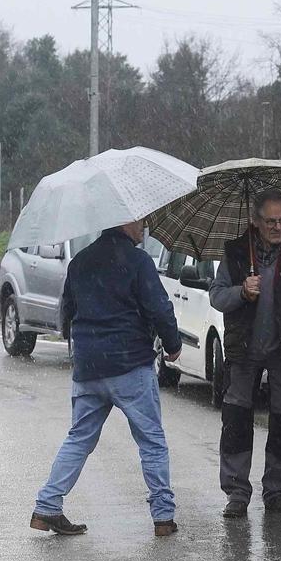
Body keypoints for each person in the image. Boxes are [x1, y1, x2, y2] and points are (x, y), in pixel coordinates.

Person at [31, 219, 183, 537]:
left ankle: (47, 507)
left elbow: (66, 314)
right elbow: (158, 307)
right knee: (152, 441)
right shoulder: (138, 261)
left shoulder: (80, 261)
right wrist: (172, 344)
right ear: (124, 221)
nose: (146, 226)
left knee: (79, 438)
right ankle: (163, 518)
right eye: (141, 220)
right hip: (130, 365)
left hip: (88, 367)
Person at [208, 189, 281, 518]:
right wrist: (241, 292)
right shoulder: (235, 252)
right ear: (255, 222)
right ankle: (236, 493)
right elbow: (216, 296)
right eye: (270, 221)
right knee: (235, 420)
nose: (277, 227)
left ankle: (277, 491)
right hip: (243, 352)